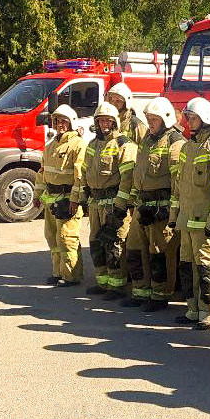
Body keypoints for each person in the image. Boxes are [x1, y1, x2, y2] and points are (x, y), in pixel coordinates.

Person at [170, 98, 210, 329]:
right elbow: (179, 186)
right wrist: (173, 216)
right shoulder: (188, 146)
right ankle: (193, 309)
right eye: (188, 118)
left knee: (209, 267)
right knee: (188, 266)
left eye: (194, 118)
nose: (189, 122)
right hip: (186, 221)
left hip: (206, 224)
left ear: (206, 118)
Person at [123, 97, 184, 311]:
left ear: (165, 119)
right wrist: (133, 202)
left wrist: (170, 210)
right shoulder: (148, 139)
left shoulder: (175, 141)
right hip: (143, 205)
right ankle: (141, 291)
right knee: (134, 248)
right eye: (148, 119)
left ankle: (160, 295)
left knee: (160, 252)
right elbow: (138, 173)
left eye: (154, 119)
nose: (150, 123)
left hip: (161, 208)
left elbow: (178, 180)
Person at [71, 102, 137, 299]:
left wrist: (120, 206)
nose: (104, 124)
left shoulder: (124, 144)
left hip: (113, 203)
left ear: (115, 122)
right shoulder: (93, 145)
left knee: (115, 244)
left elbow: (128, 178)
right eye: (100, 120)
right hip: (95, 203)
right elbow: (84, 172)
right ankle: (103, 282)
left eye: (108, 120)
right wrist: (83, 197)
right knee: (96, 243)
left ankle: (117, 286)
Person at [34, 104, 87, 286]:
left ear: (71, 122)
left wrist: (75, 200)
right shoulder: (50, 146)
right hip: (51, 199)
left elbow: (79, 176)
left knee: (67, 239)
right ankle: (58, 272)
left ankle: (72, 276)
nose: (59, 124)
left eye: (63, 120)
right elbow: (42, 173)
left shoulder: (78, 144)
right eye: (56, 121)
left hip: (67, 200)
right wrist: (37, 194)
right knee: (52, 237)